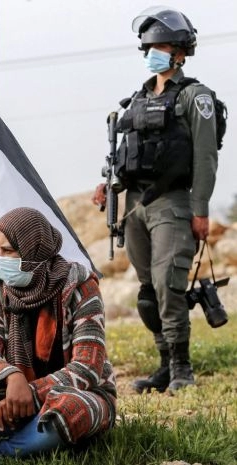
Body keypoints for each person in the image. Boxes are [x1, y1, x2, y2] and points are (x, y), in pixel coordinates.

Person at [92, 6, 218, 393]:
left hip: (172, 202)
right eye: (148, 48)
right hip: (134, 204)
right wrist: (107, 185)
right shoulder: (137, 99)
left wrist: (200, 210)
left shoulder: (195, 96)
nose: (152, 54)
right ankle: (165, 364)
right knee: (148, 293)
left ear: (179, 53)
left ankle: (182, 369)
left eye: (160, 47)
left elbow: (205, 157)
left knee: (168, 284)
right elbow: (123, 151)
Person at [0, 207, 116, 458]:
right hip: (15, 392)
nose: (0, 259)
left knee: (70, 410)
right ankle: (35, 438)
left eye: (8, 250)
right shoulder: (3, 291)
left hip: (78, 392)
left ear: (33, 248)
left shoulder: (80, 286)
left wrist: (31, 394)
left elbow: (87, 367)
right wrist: (12, 377)